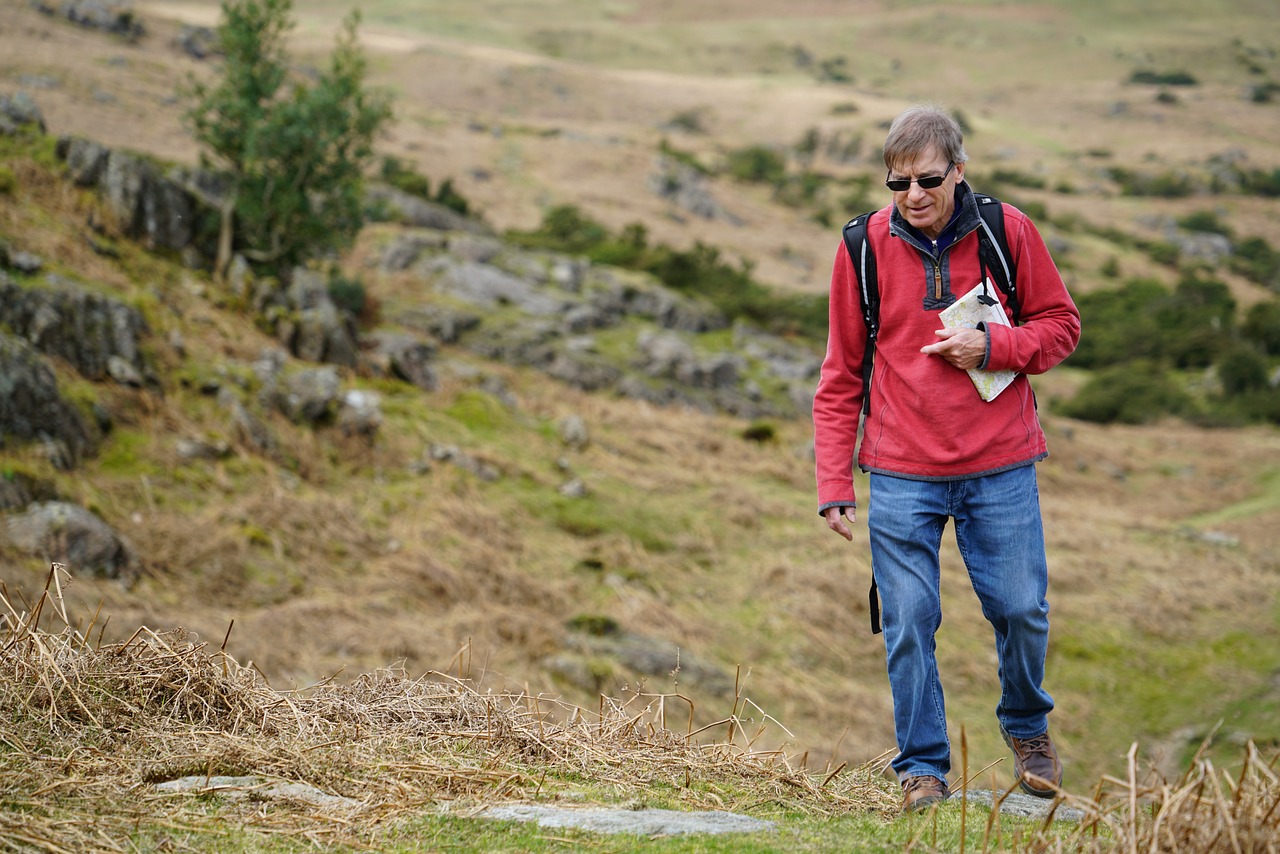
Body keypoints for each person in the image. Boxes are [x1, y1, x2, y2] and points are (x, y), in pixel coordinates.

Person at [812, 104, 1081, 813]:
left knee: (1021, 609)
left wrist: (993, 348)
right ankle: (922, 768)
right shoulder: (862, 247)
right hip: (901, 472)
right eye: (898, 183)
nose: (913, 196)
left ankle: (1028, 729)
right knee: (906, 621)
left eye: (929, 179)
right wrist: (833, 481)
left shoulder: (1007, 230)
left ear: (959, 171)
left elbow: (1060, 327)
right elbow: (841, 373)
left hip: (1000, 466)